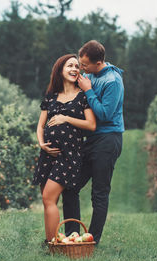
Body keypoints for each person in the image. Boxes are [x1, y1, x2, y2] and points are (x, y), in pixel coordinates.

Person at [61, 40, 125, 245]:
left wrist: (88, 90)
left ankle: (91, 241)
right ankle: (73, 236)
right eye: (80, 63)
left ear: (99, 63)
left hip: (108, 139)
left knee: (99, 193)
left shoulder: (112, 81)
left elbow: (105, 115)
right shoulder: (90, 75)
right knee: (70, 186)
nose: (81, 68)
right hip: (91, 139)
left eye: (85, 65)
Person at [32, 54, 96, 244]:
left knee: (48, 197)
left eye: (77, 66)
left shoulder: (83, 97)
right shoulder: (51, 97)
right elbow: (40, 125)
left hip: (68, 156)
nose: (75, 69)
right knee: (47, 201)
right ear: (60, 69)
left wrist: (65, 118)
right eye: (70, 65)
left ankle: (53, 243)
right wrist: (41, 143)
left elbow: (91, 125)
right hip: (47, 154)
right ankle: (51, 242)